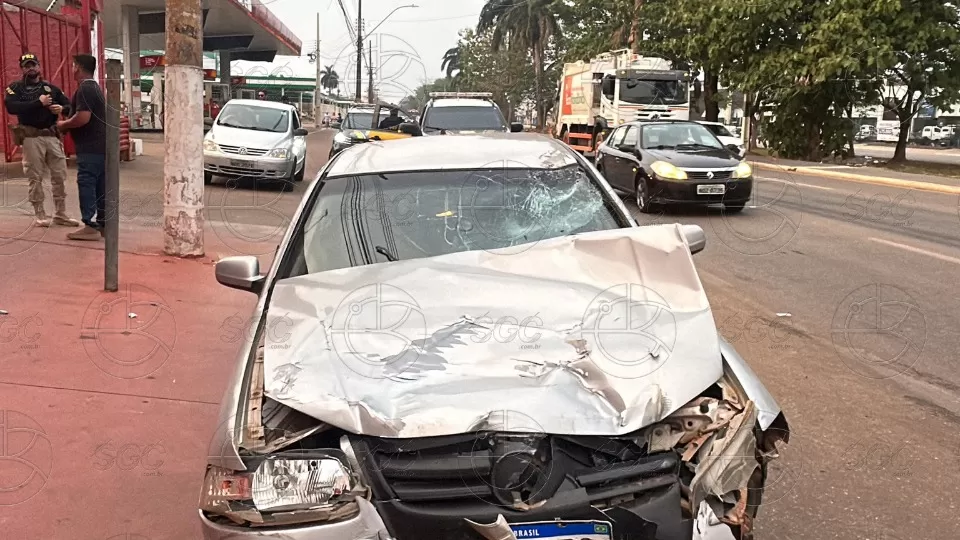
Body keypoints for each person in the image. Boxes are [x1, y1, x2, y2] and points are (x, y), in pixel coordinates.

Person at [3, 52, 79, 227]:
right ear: (22, 69)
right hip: (31, 137)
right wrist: (39, 103)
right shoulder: (15, 89)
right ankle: (40, 213)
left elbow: (69, 105)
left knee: (59, 175)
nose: (30, 68)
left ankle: (61, 213)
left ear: (39, 66)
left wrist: (62, 108)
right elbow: (12, 107)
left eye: (33, 65)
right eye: (26, 66)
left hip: (51, 136)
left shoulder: (50, 88)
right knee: (35, 176)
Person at [57, 54, 106, 241]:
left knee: (87, 183)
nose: (71, 69)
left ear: (77, 67)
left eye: (72, 66)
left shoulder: (85, 88)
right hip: (100, 148)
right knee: (100, 185)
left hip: (90, 148)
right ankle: (102, 224)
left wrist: (64, 125)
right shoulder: (94, 88)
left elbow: (83, 118)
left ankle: (90, 225)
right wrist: (64, 110)